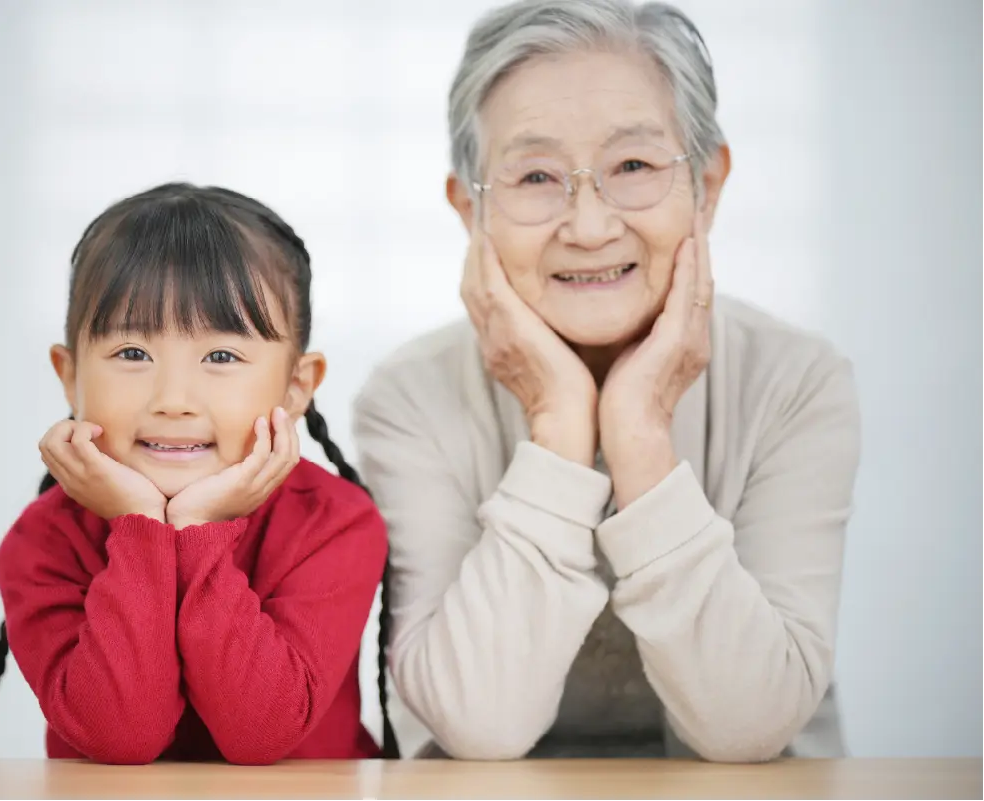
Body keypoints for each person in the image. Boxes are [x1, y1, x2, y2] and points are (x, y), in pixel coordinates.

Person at [352, 0, 860, 762]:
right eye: (534, 176)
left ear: (708, 184)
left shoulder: (795, 381)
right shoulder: (408, 399)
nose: (588, 226)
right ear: (469, 210)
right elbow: (477, 726)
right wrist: (558, 424)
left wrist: (639, 436)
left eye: (632, 166)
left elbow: (749, 726)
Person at [0, 183, 398, 765]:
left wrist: (197, 531)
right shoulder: (43, 541)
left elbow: (262, 733)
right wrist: (142, 527)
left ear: (297, 386)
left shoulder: (336, 523)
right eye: (133, 354)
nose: (172, 400)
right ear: (70, 378)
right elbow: (120, 735)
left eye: (221, 357)